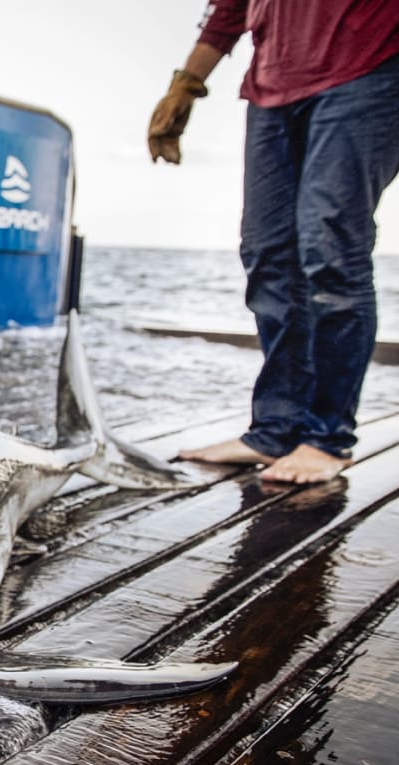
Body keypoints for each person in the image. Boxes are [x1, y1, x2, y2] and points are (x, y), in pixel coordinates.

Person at [147, 1, 399, 483]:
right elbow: (229, 9)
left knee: (331, 249)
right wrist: (184, 86)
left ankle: (326, 437)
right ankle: (275, 429)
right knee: (266, 253)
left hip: (370, 70)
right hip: (271, 87)